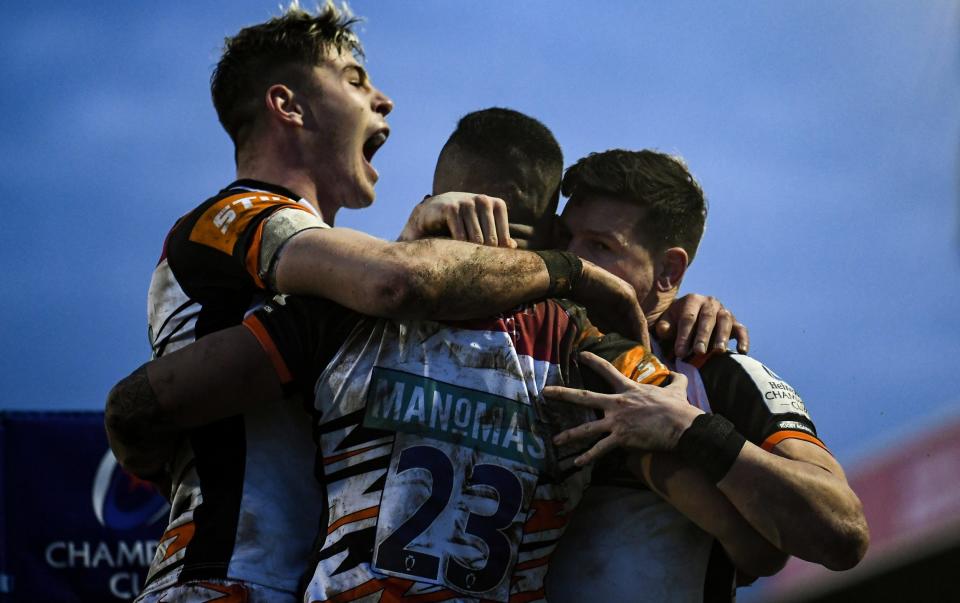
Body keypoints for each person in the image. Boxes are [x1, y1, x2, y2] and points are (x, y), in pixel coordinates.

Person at [119, 6, 651, 602]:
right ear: (288, 106)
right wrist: (570, 272)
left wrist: (672, 312)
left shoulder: (318, 271)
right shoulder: (237, 214)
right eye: (353, 79)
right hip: (224, 583)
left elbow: (383, 292)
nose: (384, 100)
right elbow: (393, 284)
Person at [542, 149, 870, 601]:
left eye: (600, 246)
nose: (571, 261)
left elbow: (844, 531)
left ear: (668, 270)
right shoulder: (520, 344)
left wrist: (688, 429)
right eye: (564, 237)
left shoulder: (714, 373)